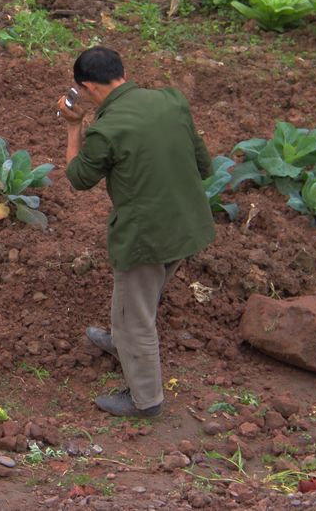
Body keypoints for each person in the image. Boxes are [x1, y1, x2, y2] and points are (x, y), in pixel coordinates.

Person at [58, 46, 215, 417]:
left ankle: (146, 399)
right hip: (188, 222)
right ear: (121, 72)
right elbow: (204, 165)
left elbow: (78, 178)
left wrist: (72, 126)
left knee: (134, 317)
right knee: (144, 296)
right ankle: (121, 342)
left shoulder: (107, 129)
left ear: (87, 87)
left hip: (147, 236)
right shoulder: (170, 101)